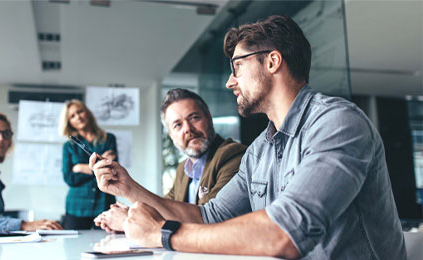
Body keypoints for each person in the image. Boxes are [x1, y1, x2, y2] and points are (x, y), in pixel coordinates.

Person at [90, 15, 406, 259]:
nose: (230, 82)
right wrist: (128, 188)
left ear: (272, 61)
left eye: (237, 67)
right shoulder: (259, 151)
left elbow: (285, 233)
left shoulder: (337, 123)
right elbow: (208, 216)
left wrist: (163, 233)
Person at [93, 89, 246, 232]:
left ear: (209, 119)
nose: (187, 129)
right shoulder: (183, 169)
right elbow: (163, 211)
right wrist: (131, 214)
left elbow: (208, 221)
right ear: (171, 135)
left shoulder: (233, 155)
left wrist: (128, 219)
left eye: (194, 118)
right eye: (177, 125)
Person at [59, 99, 117, 229]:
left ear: (87, 113)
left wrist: (80, 167)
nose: (78, 117)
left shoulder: (109, 139)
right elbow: (69, 178)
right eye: (72, 116)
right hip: (76, 207)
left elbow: (111, 171)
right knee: (73, 247)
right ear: (69, 122)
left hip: (104, 204)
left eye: (80, 112)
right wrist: (98, 168)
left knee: (107, 245)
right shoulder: (68, 146)